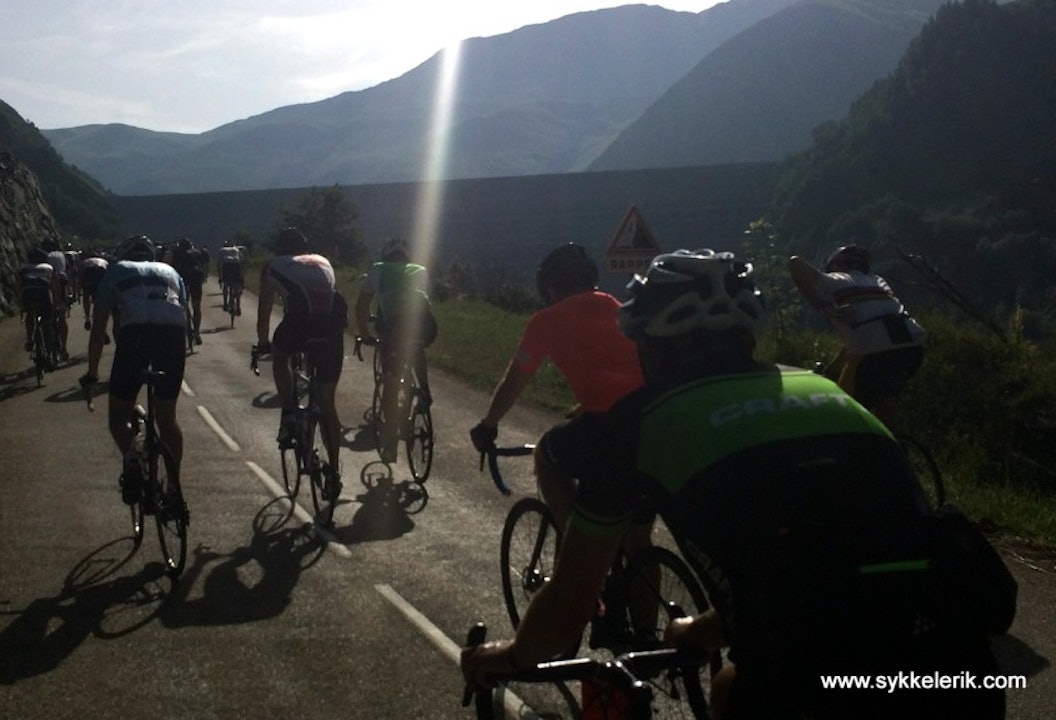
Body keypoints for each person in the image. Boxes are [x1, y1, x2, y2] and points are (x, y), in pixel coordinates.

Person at [461, 249, 1004, 720]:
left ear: (647, 346)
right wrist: (699, 632)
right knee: (728, 685)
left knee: (738, 688)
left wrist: (498, 661)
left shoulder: (639, 424)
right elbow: (825, 559)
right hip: (962, 671)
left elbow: (567, 612)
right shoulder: (823, 390)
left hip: (818, 680)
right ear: (747, 336)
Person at [469, 241, 648, 649]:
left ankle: (581, 558)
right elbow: (622, 374)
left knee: (547, 454)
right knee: (639, 539)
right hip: (650, 419)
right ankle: (647, 638)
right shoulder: (619, 307)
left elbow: (516, 379)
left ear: (550, 288)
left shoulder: (547, 320)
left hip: (607, 426)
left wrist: (489, 424)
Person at [80, 235, 190, 510]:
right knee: (168, 418)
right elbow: (184, 313)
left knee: (118, 415)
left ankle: (131, 459)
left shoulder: (115, 272)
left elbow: (98, 331)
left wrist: (92, 374)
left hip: (136, 337)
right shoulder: (172, 273)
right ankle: (175, 489)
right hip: (173, 337)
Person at [788, 244, 926, 427]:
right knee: (883, 397)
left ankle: (854, 444)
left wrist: (823, 306)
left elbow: (795, 263)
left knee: (843, 407)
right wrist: (832, 369)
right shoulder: (877, 281)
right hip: (913, 348)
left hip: (874, 353)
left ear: (835, 266)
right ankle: (890, 444)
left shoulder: (832, 281)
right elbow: (869, 336)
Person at [255, 227, 347, 500]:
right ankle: (333, 471)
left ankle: (289, 411)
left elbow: (264, 311)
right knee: (327, 402)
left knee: (280, 355)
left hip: (300, 326)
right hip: (332, 331)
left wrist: (262, 342)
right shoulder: (322, 260)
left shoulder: (273, 265)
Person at [353, 237, 438, 463]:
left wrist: (364, 334)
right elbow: (427, 296)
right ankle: (424, 391)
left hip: (396, 325)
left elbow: (362, 306)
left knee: (390, 387)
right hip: (427, 324)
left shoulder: (378, 269)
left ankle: (391, 444)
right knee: (416, 346)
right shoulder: (420, 269)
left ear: (386, 256)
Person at [15, 246, 59, 360]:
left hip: (28, 292)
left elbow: (17, 286)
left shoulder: (22, 268)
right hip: (43, 293)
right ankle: (49, 351)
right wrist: (55, 303)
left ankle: (30, 340)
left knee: (30, 313)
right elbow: (54, 287)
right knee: (47, 323)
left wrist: (20, 303)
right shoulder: (49, 268)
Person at [171, 237, 209, 344]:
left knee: (183, 305)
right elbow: (203, 265)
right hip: (196, 280)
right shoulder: (196, 253)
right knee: (197, 307)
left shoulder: (177, 254)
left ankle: (184, 328)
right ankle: (197, 332)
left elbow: (173, 270)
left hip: (183, 280)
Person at [41, 238, 71, 361]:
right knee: (62, 317)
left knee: (46, 317)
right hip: (62, 282)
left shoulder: (44, 256)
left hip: (47, 284)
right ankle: (64, 347)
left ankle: (47, 347)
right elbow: (68, 270)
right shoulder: (62, 255)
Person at [77, 248, 109, 331]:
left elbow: (81, 274)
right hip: (100, 278)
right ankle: (98, 319)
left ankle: (87, 318)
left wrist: (80, 286)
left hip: (88, 278)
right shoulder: (104, 261)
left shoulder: (85, 261)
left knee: (86, 297)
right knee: (98, 300)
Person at [217, 239, 247, 315]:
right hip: (236, 265)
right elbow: (242, 262)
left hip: (226, 266)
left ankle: (225, 304)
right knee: (236, 286)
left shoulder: (222, 250)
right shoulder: (236, 249)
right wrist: (242, 276)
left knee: (226, 284)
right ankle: (238, 306)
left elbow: (219, 265)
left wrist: (220, 277)